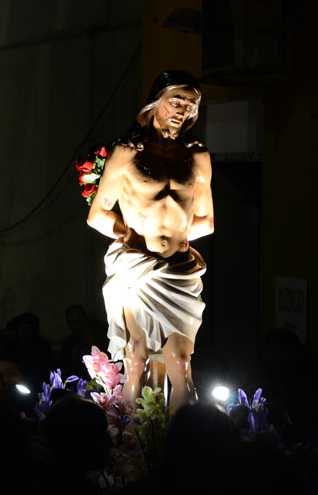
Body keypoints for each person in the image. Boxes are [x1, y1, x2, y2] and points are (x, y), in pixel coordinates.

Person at [86, 70, 213, 412]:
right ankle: (128, 435)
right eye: (176, 102)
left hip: (178, 270)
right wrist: (129, 234)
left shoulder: (197, 155)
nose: (183, 111)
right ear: (156, 102)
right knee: (136, 356)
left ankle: (184, 438)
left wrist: (179, 237)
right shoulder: (127, 152)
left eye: (191, 105)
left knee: (181, 362)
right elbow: (98, 215)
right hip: (137, 266)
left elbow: (206, 220)